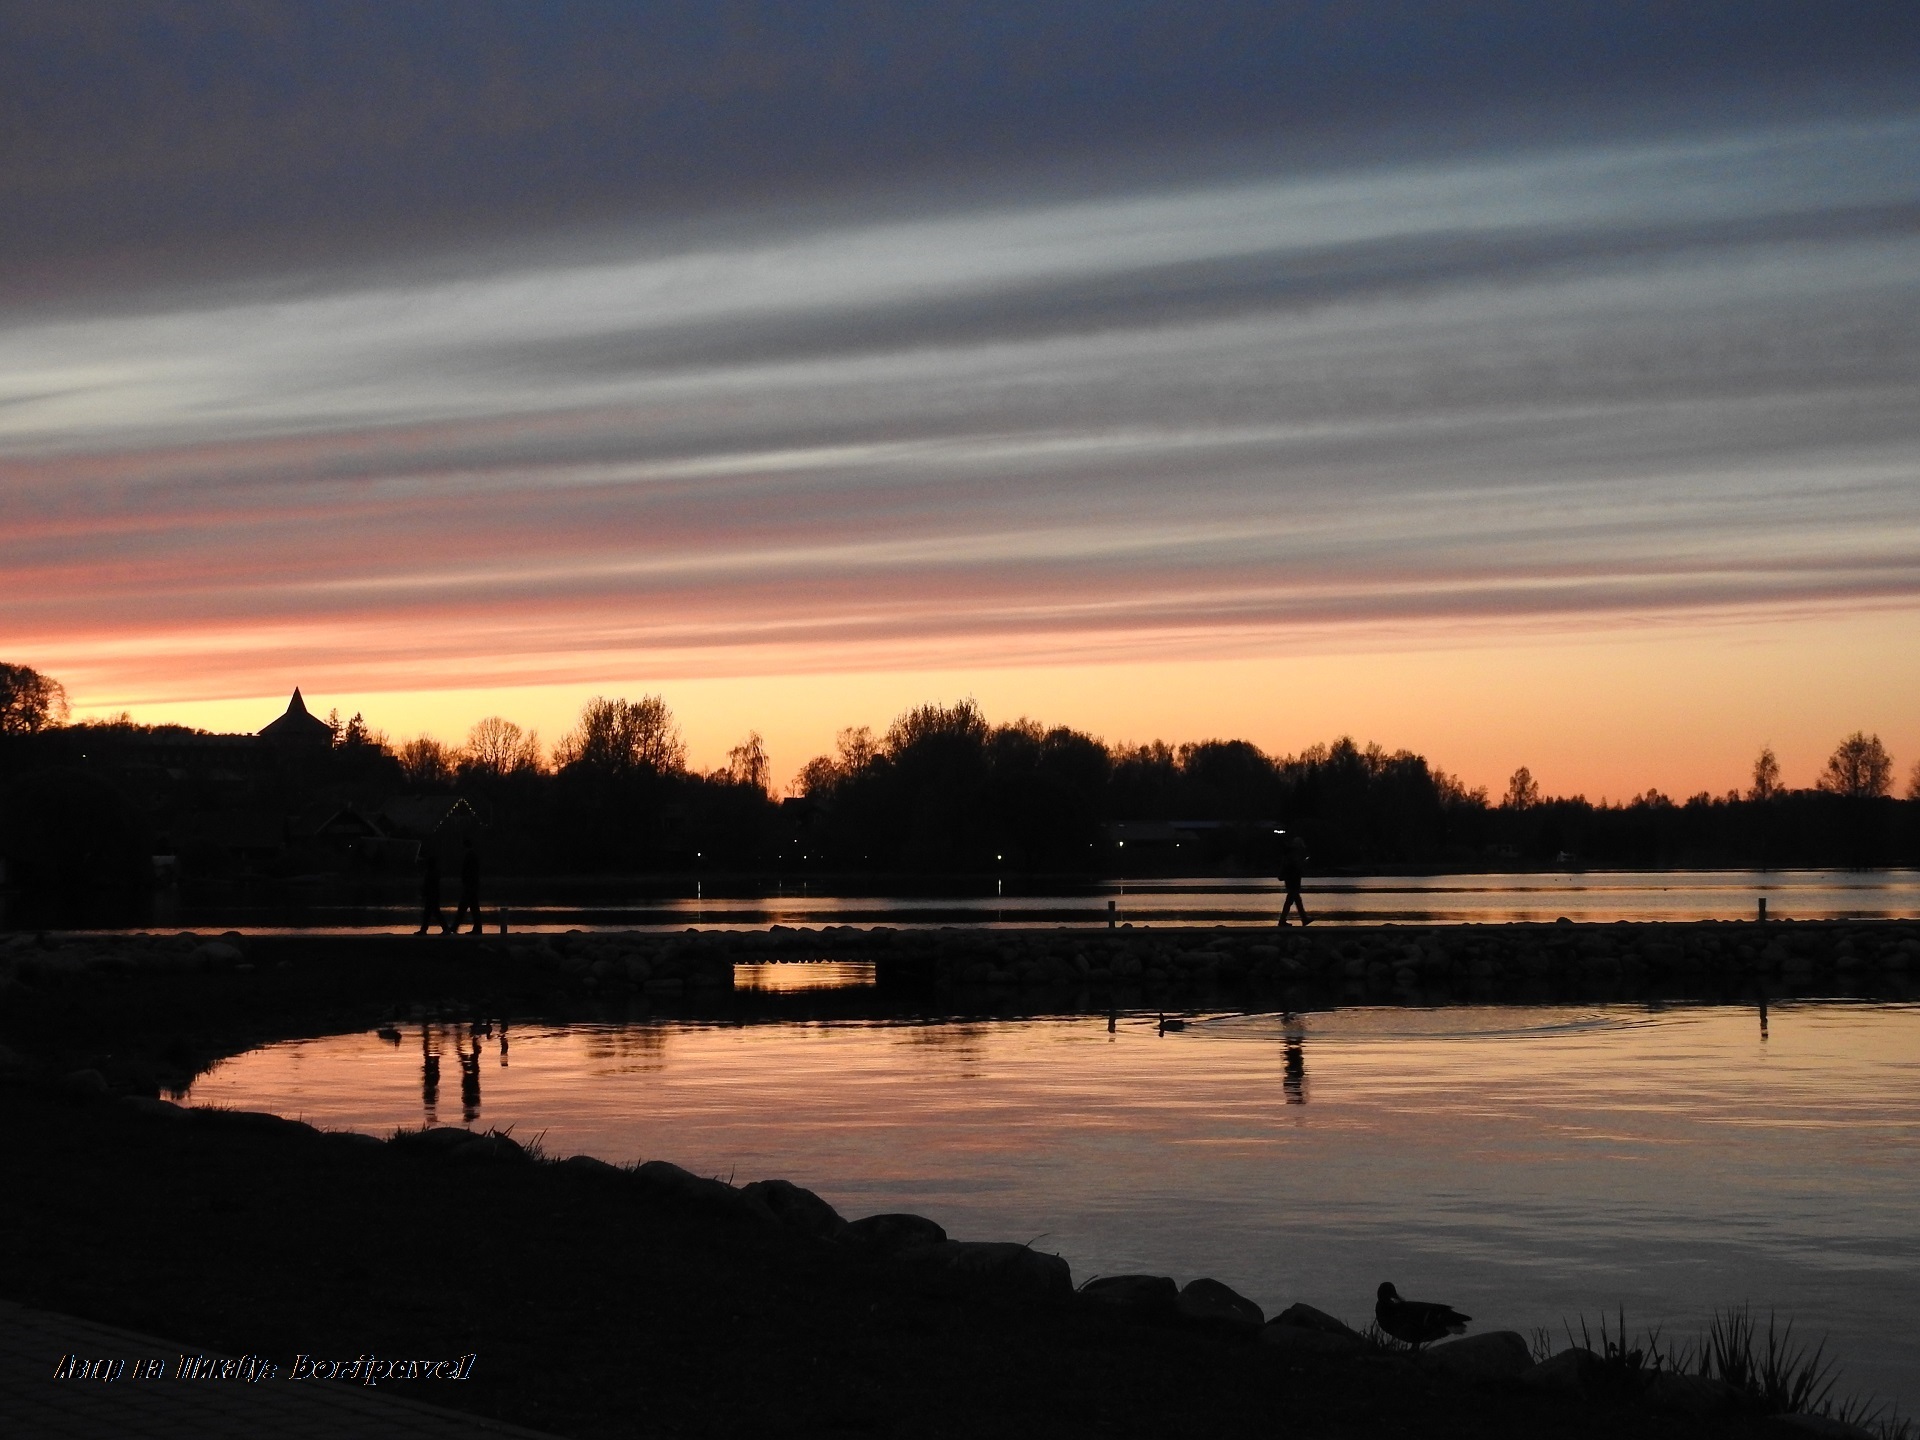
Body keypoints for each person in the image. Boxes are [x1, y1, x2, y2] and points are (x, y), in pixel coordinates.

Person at [446, 837, 482, 936]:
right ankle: (476, 929)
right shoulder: (472, 855)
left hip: (470, 887)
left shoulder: (470, 856)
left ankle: (455, 927)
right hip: (472, 886)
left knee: (464, 907)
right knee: (473, 908)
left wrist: (467, 883)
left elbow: (470, 872)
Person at [1277, 830, 1310, 927]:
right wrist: (1304, 863)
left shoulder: (1290, 853)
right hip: (1293, 881)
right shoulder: (1293, 854)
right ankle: (1282, 921)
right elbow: (1295, 867)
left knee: (1296, 900)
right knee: (1290, 901)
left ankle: (1304, 919)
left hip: (1291, 880)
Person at [415, 850, 443, 935]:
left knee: (433, 913)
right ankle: (424, 930)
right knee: (430, 913)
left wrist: (423, 894)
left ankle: (445, 929)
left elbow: (427, 885)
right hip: (434, 895)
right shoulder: (435, 872)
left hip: (431, 896)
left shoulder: (430, 873)